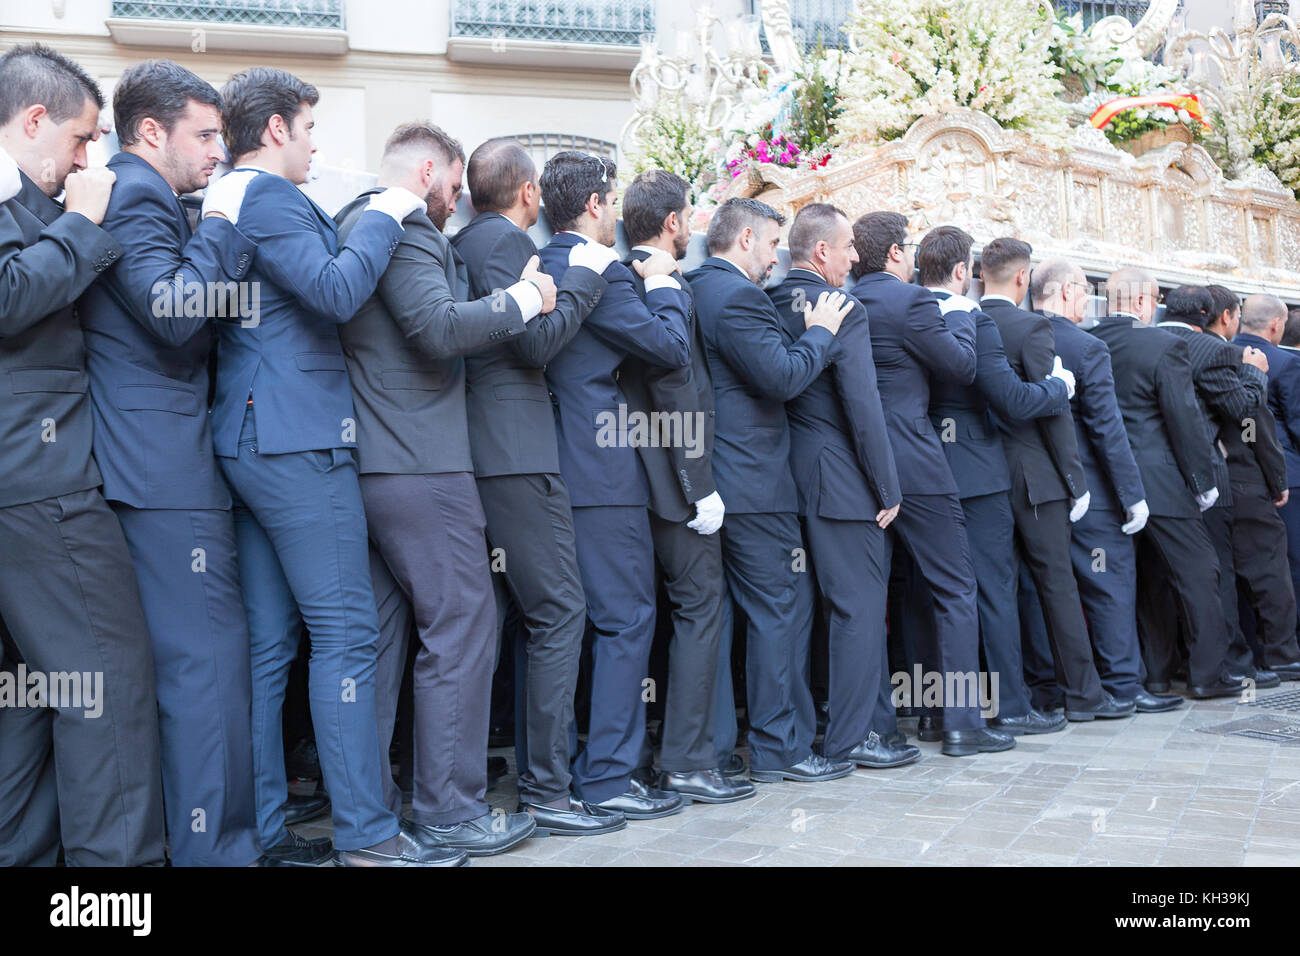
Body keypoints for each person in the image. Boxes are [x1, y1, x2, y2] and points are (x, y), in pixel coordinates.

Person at [204, 66, 462, 866]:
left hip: (251, 438)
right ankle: (368, 835)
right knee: (349, 636)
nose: (315, 143)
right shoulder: (268, 196)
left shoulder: (239, 199)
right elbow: (336, 290)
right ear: (276, 128)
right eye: (310, 128)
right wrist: (387, 213)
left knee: (272, 644)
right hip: (294, 440)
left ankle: (266, 830)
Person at [335, 122, 583, 855]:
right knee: (465, 626)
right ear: (427, 169)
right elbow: (438, 328)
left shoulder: (357, 226)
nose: (458, 199)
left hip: (380, 463)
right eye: (451, 183)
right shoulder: (405, 229)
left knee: (386, 642)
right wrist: (528, 299)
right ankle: (448, 809)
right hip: (421, 464)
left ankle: (381, 809)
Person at [77, 59, 264, 867]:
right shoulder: (138, 191)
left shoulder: (138, 192)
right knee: (208, 669)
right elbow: (177, 314)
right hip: (163, 471)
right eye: (207, 134)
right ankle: (216, 854)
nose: (220, 150)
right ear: (151, 132)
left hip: (148, 466)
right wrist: (221, 222)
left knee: (193, 667)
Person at [0, 42, 166, 867]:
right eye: (78, 139)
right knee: (109, 678)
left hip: (27, 485)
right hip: (42, 486)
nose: (87, 158)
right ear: (33, 121)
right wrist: (83, 220)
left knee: (36, 696)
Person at [450, 139, 623, 836]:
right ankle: (549, 793)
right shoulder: (502, 243)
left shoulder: (472, 238)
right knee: (560, 612)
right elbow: (534, 344)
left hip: (496, 451)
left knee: (532, 617)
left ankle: (536, 778)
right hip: (513, 453)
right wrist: (585, 278)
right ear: (527, 193)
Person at [537, 151, 696, 817]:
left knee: (573, 625)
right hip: (600, 471)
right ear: (597, 206)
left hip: (555, 462)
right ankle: (607, 778)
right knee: (626, 619)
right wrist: (664, 282)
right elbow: (670, 349)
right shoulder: (601, 271)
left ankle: (575, 772)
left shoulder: (544, 261)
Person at [689, 198, 858, 780]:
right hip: (754, 484)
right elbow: (782, 377)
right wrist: (819, 332)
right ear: (744, 240)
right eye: (768, 247)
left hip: (717, 481)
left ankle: (716, 749)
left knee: (727, 618)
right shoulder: (736, 297)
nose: (773, 261)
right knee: (780, 611)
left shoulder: (692, 285)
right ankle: (778, 749)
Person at [851, 212, 1014, 755]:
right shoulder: (914, 302)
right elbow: (962, 367)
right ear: (896, 254)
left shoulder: (844, 301)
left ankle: (895, 722)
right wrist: (962, 312)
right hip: (915, 465)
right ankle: (962, 724)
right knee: (954, 589)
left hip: (854, 466)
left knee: (875, 598)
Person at [619, 170, 756, 803]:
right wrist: (698, 485)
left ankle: (659, 752)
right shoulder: (661, 279)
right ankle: (686, 761)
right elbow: (676, 385)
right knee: (701, 609)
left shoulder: (624, 271)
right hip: (671, 483)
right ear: (673, 222)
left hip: (629, 479)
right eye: (690, 216)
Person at [766, 204, 914, 768]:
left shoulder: (768, 300)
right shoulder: (841, 307)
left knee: (806, 613)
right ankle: (854, 740)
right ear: (821, 251)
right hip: (841, 479)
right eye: (849, 246)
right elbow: (862, 404)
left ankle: (854, 727)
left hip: (785, 478)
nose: (856, 257)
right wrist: (887, 486)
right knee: (858, 610)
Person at [912, 229, 1073, 735]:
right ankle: (1011, 707)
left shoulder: (904, 313)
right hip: (978, 476)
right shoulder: (973, 320)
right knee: (993, 593)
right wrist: (1057, 386)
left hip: (919, 470)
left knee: (928, 595)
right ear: (963, 272)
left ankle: (936, 712)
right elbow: (1014, 401)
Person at [980, 240, 1130, 722]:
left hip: (982, 475)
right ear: (1023, 278)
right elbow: (1055, 416)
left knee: (1006, 587)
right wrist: (1076, 480)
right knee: (1056, 586)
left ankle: (1034, 691)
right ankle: (1084, 696)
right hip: (1036, 479)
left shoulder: (961, 322)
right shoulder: (1032, 326)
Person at [1026, 259, 1180, 713]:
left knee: (1042, 587)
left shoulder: (1008, 334)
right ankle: (1123, 684)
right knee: (1109, 583)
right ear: (1068, 291)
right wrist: (1132, 496)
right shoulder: (1086, 346)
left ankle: (1050, 688)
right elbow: (1106, 429)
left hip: (1034, 489)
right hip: (1090, 487)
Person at [1090, 268, 1239, 699]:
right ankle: (1208, 675)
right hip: (1161, 484)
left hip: (1106, 483)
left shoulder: (1088, 340)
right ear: (1141, 302)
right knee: (1199, 573)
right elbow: (1184, 421)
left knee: (1147, 582)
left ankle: (1154, 675)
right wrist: (1202, 481)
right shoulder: (1163, 345)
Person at [1156, 286, 1300, 685]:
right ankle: (1282, 655)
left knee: (1220, 574)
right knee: (1269, 570)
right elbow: (1253, 426)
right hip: (1240, 476)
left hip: (1190, 482)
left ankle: (1235, 659)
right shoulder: (1232, 356)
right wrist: (1277, 479)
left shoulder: (1165, 346)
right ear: (1225, 317)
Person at [1234, 293, 1300, 668]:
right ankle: (1285, 649)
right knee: (1285, 566)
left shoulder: (1221, 353)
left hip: (1230, 479)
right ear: (1276, 325)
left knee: (1240, 569)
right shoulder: (1285, 363)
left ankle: (1252, 651)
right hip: (1282, 476)